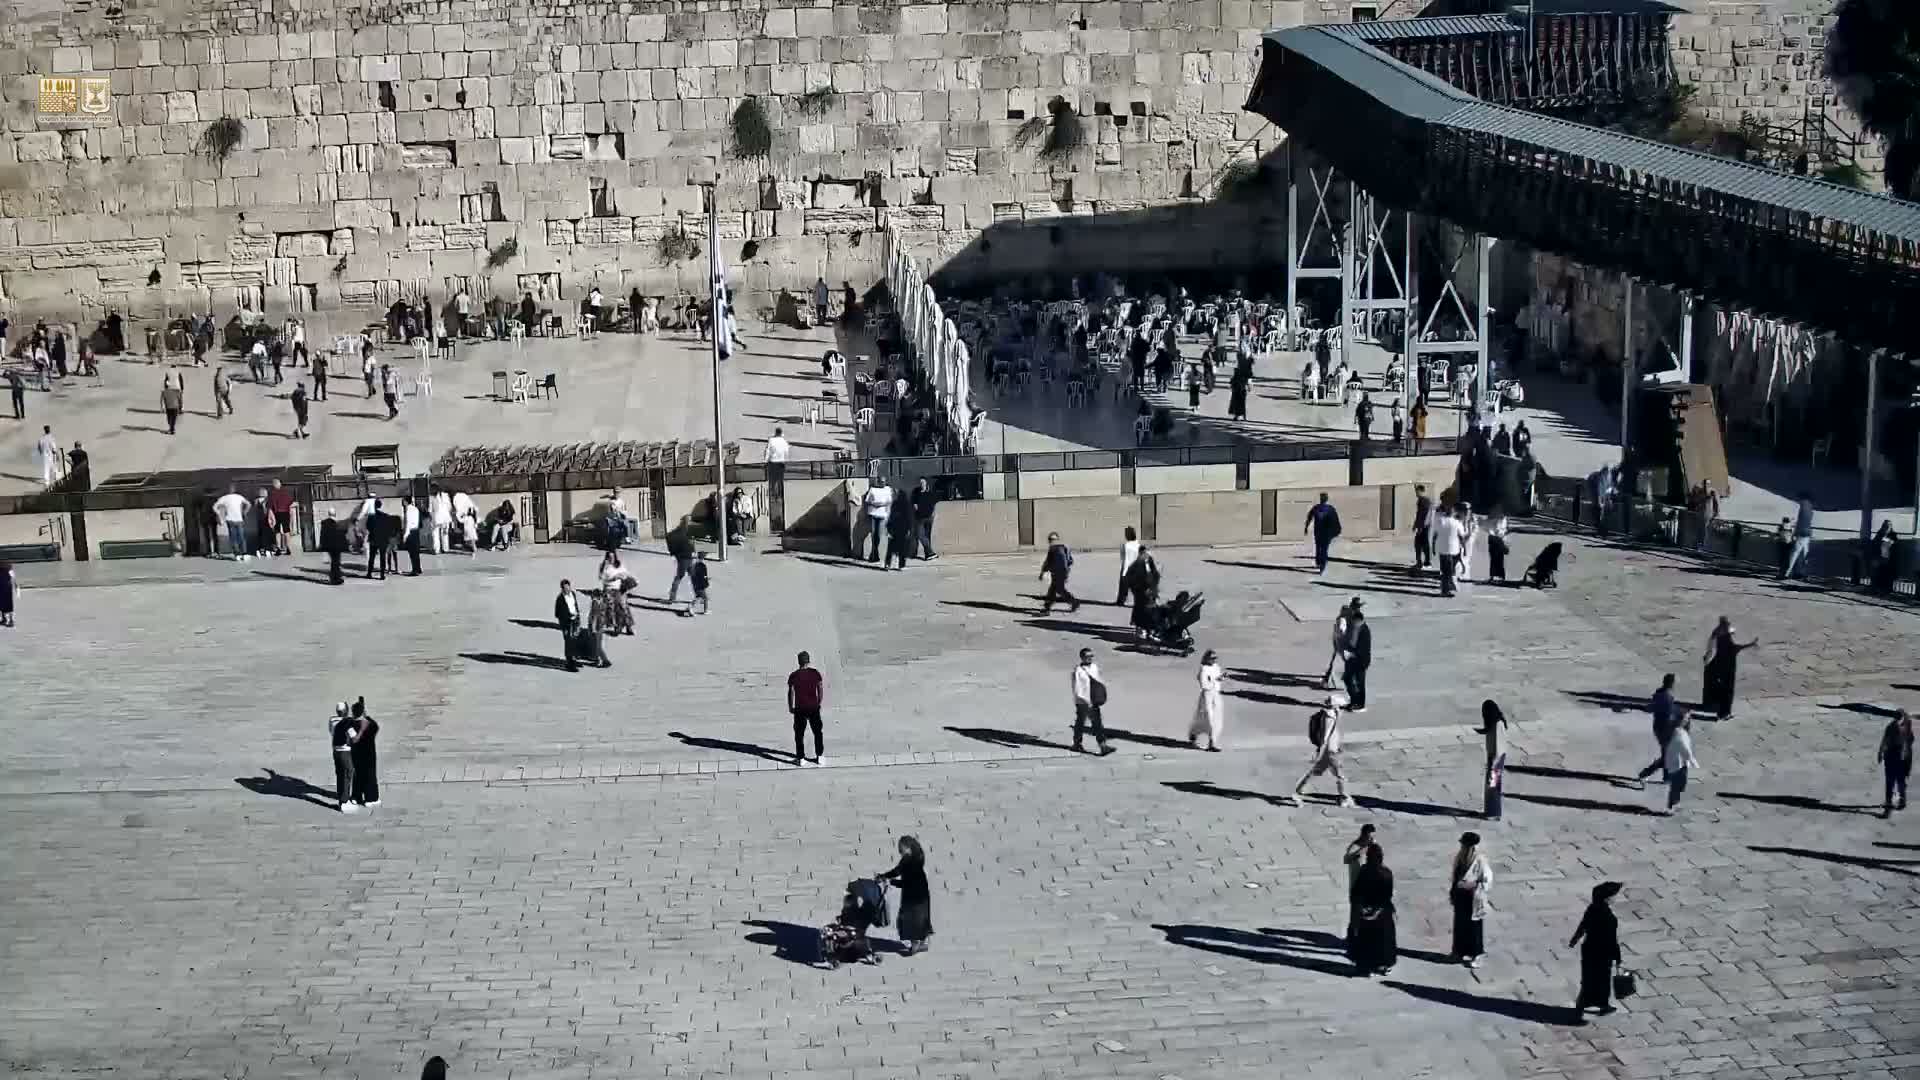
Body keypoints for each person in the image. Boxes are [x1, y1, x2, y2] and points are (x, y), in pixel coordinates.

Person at [1287, 695, 1353, 806]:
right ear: (1335, 705)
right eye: (1341, 706)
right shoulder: (1329, 717)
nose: (1342, 709)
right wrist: (1320, 750)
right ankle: (1344, 797)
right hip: (1330, 751)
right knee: (1340, 775)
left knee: (1315, 772)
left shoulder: (1332, 714)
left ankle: (1298, 791)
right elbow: (1325, 736)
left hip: (1331, 749)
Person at [1570, 882, 1624, 1016]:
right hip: (1603, 953)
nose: (1615, 898)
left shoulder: (1592, 908)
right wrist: (1618, 957)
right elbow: (1612, 940)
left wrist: (1574, 940)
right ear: (1607, 898)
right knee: (1602, 980)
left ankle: (1582, 1002)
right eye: (1613, 895)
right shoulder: (1609, 917)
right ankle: (1603, 1005)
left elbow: (1583, 926)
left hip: (1589, 949)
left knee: (1589, 977)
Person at [1347, 843, 1397, 977]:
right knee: (1383, 941)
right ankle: (1382, 965)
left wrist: (1360, 909)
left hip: (1365, 911)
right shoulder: (1386, 873)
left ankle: (1365, 967)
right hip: (1382, 912)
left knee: (1365, 941)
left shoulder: (1364, 871)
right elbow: (1388, 894)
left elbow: (1357, 892)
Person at [879, 836, 932, 954]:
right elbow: (897, 871)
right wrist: (884, 876)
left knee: (910, 921)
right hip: (920, 895)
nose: (900, 850)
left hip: (914, 897)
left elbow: (905, 882)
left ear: (908, 848)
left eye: (901, 847)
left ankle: (915, 945)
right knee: (919, 920)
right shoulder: (912, 858)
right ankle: (922, 943)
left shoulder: (910, 863)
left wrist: (890, 881)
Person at [1700, 616, 1757, 721]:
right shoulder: (1725, 640)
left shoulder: (1717, 635)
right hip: (1729, 671)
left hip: (1720, 669)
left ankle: (1719, 711)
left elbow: (1711, 650)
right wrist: (1751, 644)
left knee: (1722, 691)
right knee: (1728, 693)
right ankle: (1724, 713)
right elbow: (1735, 648)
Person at [1449, 832, 1492, 967]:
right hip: (1460, 897)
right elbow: (1455, 876)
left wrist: (1470, 885)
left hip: (1473, 897)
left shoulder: (1480, 860)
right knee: (1460, 925)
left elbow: (1487, 880)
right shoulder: (1460, 858)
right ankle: (1459, 951)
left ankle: (1477, 954)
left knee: (1474, 927)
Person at [1633, 674, 1680, 786]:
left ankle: (1667, 778)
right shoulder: (1667, 697)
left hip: (1658, 728)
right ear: (1671, 684)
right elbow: (1670, 715)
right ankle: (1645, 774)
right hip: (1665, 729)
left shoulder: (1659, 693)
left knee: (1667, 754)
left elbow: (1651, 708)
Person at [1071, 647, 1112, 755]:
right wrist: (1085, 701)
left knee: (1094, 723)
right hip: (1083, 701)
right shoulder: (1078, 670)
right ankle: (1100, 746)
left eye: (1091, 656)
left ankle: (1077, 744)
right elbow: (1077, 688)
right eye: (1087, 656)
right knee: (1084, 723)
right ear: (1082, 657)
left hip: (1093, 700)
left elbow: (1098, 680)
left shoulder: (1094, 667)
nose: (1090, 658)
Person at [787, 651, 825, 764]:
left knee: (799, 734)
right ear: (808, 661)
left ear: (799, 662)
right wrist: (819, 702)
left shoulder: (794, 675)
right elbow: (820, 688)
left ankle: (801, 758)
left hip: (800, 708)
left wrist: (791, 706)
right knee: (817, 732)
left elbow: (791, 692)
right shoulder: (815, 673)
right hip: (813, 707)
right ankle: (820, 756)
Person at [1188, 649, 1225, 750]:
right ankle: (1194, 735)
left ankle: (1212, 743)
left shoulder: (1216, 667)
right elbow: (1204, 684)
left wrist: (1220, 679)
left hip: (1216, 695)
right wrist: (1214, 681)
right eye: (1212, 658)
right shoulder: (1203, 669)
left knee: (1216, 719)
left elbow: (1217, 680)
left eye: (1215, 658)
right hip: (1207, 696)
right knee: (1207, 719)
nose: (1214, 660)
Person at [1662, 712, 1698, 813]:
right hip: (1677, 763)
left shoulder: (1680, 731)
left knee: (1680, 785)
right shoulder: (1678, 732)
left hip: (1680, 762)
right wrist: (1692, 760)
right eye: (1685, 718)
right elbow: (1683, 747)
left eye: (1688, 718)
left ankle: (1675, 803)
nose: (1687, 720)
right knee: (1676, 786)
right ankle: (1669, 807)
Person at [1878, 709, 1913, 815]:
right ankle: (1899, 801)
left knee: (1892, 780)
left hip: (1896, 757)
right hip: (1900, 757)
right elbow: (1908, 743)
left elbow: (1885, 741)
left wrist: (1880, 753)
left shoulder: (1894, 727)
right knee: (1899, 780)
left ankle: (1891, 803)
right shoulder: (1905, 727)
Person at [1477, 700, 1507, 819]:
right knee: (1491, 785)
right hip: (1493, 756)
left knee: (1493, 785)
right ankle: (1490, 811)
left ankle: (1493, 813)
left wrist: (1493, 767)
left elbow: (1499, 749)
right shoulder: (1494, 722)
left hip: (1496, 758)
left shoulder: (1498, 725)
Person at [349, 698, 381, 808]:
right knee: (370, 775)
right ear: (363, 711)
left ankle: (356, 797)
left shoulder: (350, 725)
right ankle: (371, 798)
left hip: (356, 754)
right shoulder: (370, 725)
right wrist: (366, 716)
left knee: (357, 776)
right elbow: (376, 727)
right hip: (369, 754)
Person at [1039, 532, 1080, 614]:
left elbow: (1047, 563)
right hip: (1064, 572)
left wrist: (1042, 573)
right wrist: (1066, 570)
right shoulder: (1064, 547)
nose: (1050, 541)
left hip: (1057, 573)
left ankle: (1074, 602)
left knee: (1059, 589)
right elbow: (1070, 561)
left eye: (1050, 540)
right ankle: (1047, 608)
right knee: (1053, 590)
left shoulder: (1053, 549)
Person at [330, 703, 361, 813]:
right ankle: (344, 802)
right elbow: (354, 738)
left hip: (336, 751)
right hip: (345, 752)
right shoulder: (347, 723)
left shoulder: (332, 720)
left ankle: (341, 797)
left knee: (340, 774)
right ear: (346, 711)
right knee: (348, 773)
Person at [1432, 502, 1466, 597]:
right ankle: (1445, 590)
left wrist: (1433, 547)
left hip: (1442, 549)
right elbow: (1462, 537)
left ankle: (1446, 588)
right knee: (1448, 571)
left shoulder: (1440, 521)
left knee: (1444, 570)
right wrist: (1464, 548)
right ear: (1454, 513)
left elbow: (1435, 535)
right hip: (1453, 550)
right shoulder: (1457, 523)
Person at [1341, 609, 1372, 713]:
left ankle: (1360, 704)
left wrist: (1351, 654)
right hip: (1352, 660)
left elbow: (1363, 650)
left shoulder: (1364, 631)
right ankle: (1354, 701)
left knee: (1359, 683)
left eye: (1354, 621)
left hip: (1361, 662)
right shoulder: (1355, 627)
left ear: (1359, 620)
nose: (1352, 623)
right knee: (1347, 679)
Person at [1304, 492, 1341, 574]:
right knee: (1324, 548)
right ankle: (1322, 565)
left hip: (1318, 531)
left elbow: (1309, 517)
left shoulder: (1316, 508)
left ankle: (1318, 562)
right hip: (1327, 533)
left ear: (1321, 499)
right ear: (1327, 499)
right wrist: (1337, 530)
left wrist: (1306, 527)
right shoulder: (1330, 509)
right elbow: (1336, 521)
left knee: (1318, 547)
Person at [1323, 599, 1357, 688]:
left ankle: (1329, 680)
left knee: (1337, 663)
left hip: (1341, 644)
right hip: (1342, 644)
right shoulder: (1343, 619)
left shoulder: (1343, 618)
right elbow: (1341, 631)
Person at [1780, 493, 1814, 580]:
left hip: (1801, 534)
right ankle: (1803, 573)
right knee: (1805, 555)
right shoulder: (1810, 509)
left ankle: (1786, 573)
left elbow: (1800, 523)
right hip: (1807, 534)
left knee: (1794, 555)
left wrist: (1794, 534)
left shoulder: (1803, 508)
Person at [861, 478, 894, 562]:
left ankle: (874, 554)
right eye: (881, 482)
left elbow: (889, 501)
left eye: (884, 481)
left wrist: (882, 504)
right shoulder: (873, 489)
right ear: (878, 482)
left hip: (882, 515)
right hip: (873, 514)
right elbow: (867, 500)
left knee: (878, 535)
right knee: (873, 534)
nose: (883, 483)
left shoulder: (887, 489)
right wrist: (874, 503)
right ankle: (874, 555)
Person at [214, 487, 251, 559]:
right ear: (235, 490)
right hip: (239, 519)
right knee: (241, 536)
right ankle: (244, 553)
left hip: (230, 519)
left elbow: (214, 506)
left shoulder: (224, 498)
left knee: (233, 537)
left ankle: (237, 554)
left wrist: (219, 514)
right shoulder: (239, 497)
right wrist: (244, 513)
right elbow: (248, 504)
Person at [365, 499, 399, 579]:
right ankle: (382, 574)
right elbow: (388, 528)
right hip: (383, 539)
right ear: (381, 506)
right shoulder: (386, 516)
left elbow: (368, 527)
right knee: (382, 557)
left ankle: (369, 573)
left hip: (373, 539)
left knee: (372, 557)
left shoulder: (371, 516)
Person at [665, 522, 695, 606]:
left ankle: (672, 598)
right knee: (691, 578)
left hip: (683, 559)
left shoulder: (675, 534)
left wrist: (674, 553)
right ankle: (700, 596)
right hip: (687, 558)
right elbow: (691, 546)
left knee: (679, 577)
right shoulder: (684, 534)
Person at [884, 486, 915, 569]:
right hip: (900, 528)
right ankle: (899, 565)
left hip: (898, 528)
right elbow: (909, 518)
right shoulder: (900, 504)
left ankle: (889, 564)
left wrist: (889, 527)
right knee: (900, 548)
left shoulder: (903, 505)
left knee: (893, 547)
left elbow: (908, 518)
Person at [555, 579, 582, 672]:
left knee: (574, 641)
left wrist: (577, 616)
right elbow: (557, 613)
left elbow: (575, 606)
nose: (567, 589)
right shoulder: (560, 599)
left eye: (568, 587)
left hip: (575, 621)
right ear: (562, 588)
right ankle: (570, 663)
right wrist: (565, 620)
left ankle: (574, 660)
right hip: (567, 623)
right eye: (564, 588)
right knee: (569, 643)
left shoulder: (573, 594)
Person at [266, 480, 297, 556]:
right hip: (285, 513)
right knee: (287, 531)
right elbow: (291, 502)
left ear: (274, 485)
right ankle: (288, 548)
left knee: (277, 532)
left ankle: (279, 549)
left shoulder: (272, 493)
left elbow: (269, 506)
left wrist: (270, 516)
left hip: (277, 513)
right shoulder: (286, 492)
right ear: (280, 484)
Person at [910, 479, 939, 560]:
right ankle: (931, 553)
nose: (921, 484)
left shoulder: (930, 493)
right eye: (920, 483)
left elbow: (934, 504)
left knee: (927, 536)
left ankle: (928, 555)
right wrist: (917, 510)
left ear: (926, 483)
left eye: (923, 482)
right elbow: (914, 504)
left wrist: (933, 514)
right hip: (919, 518)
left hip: (929, 518)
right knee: (920, 535)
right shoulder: (916, 492)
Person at [319, 508, 347, 584]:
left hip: (329, 545)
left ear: (329, 514)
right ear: (335, 514)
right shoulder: (339, 522)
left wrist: (322, 545)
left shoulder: (324, 523)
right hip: (337, 545)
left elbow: (322, 535)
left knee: (334, 562)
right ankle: (336, 578)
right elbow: (342, 535)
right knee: (336, 562)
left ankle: (334, 577)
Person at [1485, 508, 1510, 583]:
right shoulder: (1495, 519)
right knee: (1494, 559)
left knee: (1499, 559)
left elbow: (1505, 530)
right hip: (1494, 539)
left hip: (1499, 539)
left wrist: (1504, 538)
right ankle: (1493, 576)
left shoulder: (1504, 520)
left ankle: (1500, 577)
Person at [1412, 484, 1433, 570]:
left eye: (1417, 491)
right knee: (1421, 544)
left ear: (1420, 491)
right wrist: (1415, 524)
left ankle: (1424, 562)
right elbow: (1419, 514)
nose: (1416, 493)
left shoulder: (1424, 501)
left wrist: (1420, 526)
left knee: (1421, 544)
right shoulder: (1423, 500)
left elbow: (1423, 515)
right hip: (1424, 525)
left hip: (1424, 526)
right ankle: (1422, 562)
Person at [400, 494, 422, 575]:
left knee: (412, 552)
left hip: (410, 532)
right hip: (416, 531)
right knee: (416, 552)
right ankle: (418, 568)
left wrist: (405, 536)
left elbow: (408, 524)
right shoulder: (415, 508)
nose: (402, 503)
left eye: (402, 501)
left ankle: (415, 570)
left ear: (405, 502)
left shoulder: (408, 510)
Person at [430, 485, 453, 555]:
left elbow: (430, 510)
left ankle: (437, 550)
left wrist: (431, 518)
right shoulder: (445, 496)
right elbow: (449, 507)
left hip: (436, 518)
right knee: (445, 534)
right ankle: (445, 549)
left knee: (435, 534)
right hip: (445, 517)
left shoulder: (432, 498)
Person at [688, 551, 711, 615]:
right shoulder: (702, 565)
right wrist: (706, 582)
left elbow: (692, 575)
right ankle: (705, 611)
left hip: (695, 584)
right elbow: (704, 576)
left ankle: (691, 607)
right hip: (700, 585)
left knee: (698, 597)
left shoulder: (694, 565)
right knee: (705, 598)